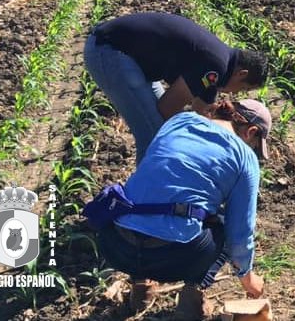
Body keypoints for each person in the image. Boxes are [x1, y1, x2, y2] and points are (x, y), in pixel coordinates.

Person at [96, 99, 271, 319]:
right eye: (255, 144)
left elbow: (154, 173)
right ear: (251, 131)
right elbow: (240, 234)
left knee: (145, 206)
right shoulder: (244, 158)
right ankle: (191, 302)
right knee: (224, 222)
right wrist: (248, 278)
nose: (253, 151)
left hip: (116, 246)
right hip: (177, 258)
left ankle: (141, 290)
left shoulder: (180, 121)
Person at [83, 12, 268, 162]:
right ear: (241, 74)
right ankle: (145, 200)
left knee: (164, 130)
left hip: (129, 57)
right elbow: (166, 108)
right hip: (110, 51)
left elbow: (203, 113)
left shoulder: (219, 66)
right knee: (154, 134)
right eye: (242, 89)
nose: (236, 94)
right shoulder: (216, 65)